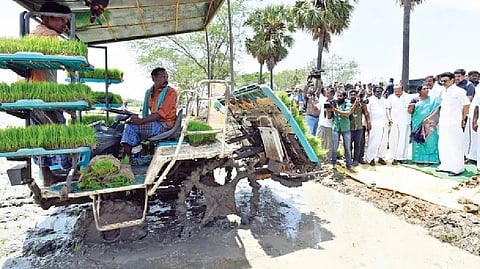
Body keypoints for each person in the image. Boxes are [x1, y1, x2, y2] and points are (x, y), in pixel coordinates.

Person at [28, 2, 73, 186]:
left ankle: (47, 175)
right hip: (42, 95)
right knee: (58, 130)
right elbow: (68, 56)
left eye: (66, 20)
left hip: (29, 94)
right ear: (46, 18)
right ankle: (67, 170)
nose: (64, 23)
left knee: (41, 135)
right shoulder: (49, 35)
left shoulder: (34, 33)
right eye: (60, 19)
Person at [120, 67, 177, 159]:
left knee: (130, 127)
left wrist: (141, 121)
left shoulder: (170, 92)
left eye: (166, 77)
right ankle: (131, 154)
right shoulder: (149, 93)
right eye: (163, 77)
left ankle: (126, 158)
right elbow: (148, 113)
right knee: (129, 123)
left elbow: (159, 114)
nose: (166, 79)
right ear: (154, 78)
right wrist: (136, 118)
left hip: (164, 125)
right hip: (156, 123)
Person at [427, 72, 469, 176]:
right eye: (442, 81)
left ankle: (457, 168)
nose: (443, 83)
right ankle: (445, 166)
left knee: (455, 145)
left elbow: (466, 105)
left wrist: (462, 119)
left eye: (445, 81)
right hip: (444, 123)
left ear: (452, 80)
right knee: (443, 145)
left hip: (454, 123)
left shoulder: (459, 91)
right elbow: (441, 107)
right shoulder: (443, 92)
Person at [408, 85, 440, 166]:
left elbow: (437, 109)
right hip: (417, 123)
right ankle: (417, 159)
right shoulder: (415, 99)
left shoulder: (433, 100)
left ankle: (428, 160)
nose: (427, 90)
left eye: (427, 88)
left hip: (429, 124)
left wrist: (429, 119)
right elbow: (410, 112)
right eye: (424, 89)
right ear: (419, 91)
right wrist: (410, 108)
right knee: (417, 140)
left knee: (429, 140)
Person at [327, 88, 358, 172]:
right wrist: (329, 110)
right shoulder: (334, 103)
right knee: (334, 147)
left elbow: (347, 114)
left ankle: (348, 164)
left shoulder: (347, 103)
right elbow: (329, 117)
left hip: (346, 128)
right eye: (338, 96)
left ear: (344, 97)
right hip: (336, 127)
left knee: (347, 148)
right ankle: (333, 163)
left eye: (340, 96)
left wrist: (335, 110)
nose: (339, 97)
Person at [386, 84, 412, 164]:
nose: (396, 93)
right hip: (394, 122)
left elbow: (412, 108)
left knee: (404, 140)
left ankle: (403, 158)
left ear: (402, 89)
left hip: (405, 122)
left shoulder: (408, 97)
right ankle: (394, 157)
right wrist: (389, 118)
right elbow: (388, 108)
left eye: (398, 91)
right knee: (394, 140)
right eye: (395, 91)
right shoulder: (391, 97)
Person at [365, 86, 389, 166]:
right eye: (377, 91)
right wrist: (368, 123)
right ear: (373, 92)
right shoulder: (369, 100)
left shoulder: (384, 100)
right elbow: (366, 113)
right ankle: (370, 158)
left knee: (383, 141)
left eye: (380, 91)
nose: (379, 93)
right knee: (374, 142)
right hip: (374, 124)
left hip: (384, 123)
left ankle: (380, 157)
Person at [348, 89, 370, 166]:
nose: (353, 96)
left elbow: (366, 113)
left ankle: (356, 160)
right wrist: (355, 104)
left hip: (359, 127)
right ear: (349, 95)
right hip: (349, 127)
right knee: (348, 144)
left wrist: (368, 123)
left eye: (355, 94)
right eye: (351, 94)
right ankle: (348, 159)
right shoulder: (347, 103)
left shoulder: (361, 104)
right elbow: (348, 112)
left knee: (358, 144)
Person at [315, 88, 334, 161]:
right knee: (319, 139)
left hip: (330, 125)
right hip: (321, 124)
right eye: (327, 93)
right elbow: (316, 108)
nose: (327, 94)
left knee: (328, 142)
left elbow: (330, 116)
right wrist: (310, 101)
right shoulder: (323, 101)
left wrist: (330, 110)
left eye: (328, 93)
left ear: (332, 94)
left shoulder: (334, 102)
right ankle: (319, 156)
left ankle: (328, 158)